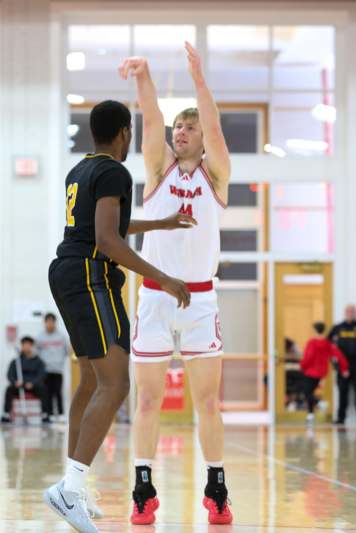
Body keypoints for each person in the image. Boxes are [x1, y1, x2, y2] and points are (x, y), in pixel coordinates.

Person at [43, 99, 192, 533]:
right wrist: (163, 278)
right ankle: (70, 488)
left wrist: (160, 225)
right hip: (90, 276)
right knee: (116, 382)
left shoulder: (81, 170)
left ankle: (73, 486)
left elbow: (102, 228)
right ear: (125, 131)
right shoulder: (114, 172)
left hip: (68, 271)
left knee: (91, 381)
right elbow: (107, 241)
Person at [120, 42, 233, 526]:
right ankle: (143, 488)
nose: (181, 132)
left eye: (190, 127)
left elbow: (215, 125)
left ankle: (217, 486)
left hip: (201, 301)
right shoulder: (156, 170)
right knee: (146, 399)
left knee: (207, 401)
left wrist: (199, 79)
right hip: (155, 299)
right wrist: (144, 77)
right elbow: (149, 120)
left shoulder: (217, 176)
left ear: (202, 138)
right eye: (178, 127)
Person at [328, 305, 356, 425]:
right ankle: (340, 418)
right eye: (348, 311)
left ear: (355, 313)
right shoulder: (337, 328)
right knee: (342, 393)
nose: (350, 313)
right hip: (342, 366)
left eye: (352, 311)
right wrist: (334, 362)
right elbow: (327, 345)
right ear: (345, 313)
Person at [300, 322, 349, 423]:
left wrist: (302, 365)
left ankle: (319, 404)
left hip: (311, 371)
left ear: (314, 330)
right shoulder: (327, 343)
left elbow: (308, 357)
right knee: (309, 392)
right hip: (321, 371)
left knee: (306, 392)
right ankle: (310, 414)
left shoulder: (312, 342)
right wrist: (344, 368)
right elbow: (339, 355)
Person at [1, 336, 51, 424]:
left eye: (28, 345)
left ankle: (45, 415)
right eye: (24, 345)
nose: (26, 347)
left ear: (32, 346)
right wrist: (15, 382)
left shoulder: (38, 362)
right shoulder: (16, 361)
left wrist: (33, 383)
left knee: (44, 389)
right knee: (9, 389)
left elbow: (41, 375)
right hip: (19, 385)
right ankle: (6, 414)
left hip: (33, 385)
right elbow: (10, 375)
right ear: (22, 346)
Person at [36, 313, 69, 421]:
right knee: (47, 393)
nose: (50, 324)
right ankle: (48, 414)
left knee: (58, 392)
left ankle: (60, 414)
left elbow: (66, 351)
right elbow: (37, 353)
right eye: (48, 321)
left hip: (58, 370)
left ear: (55, 322)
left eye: (52, 321)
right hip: (45, 370)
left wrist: (59, 362)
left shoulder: (61, 337)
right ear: (45, 323)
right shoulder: (40, 337)